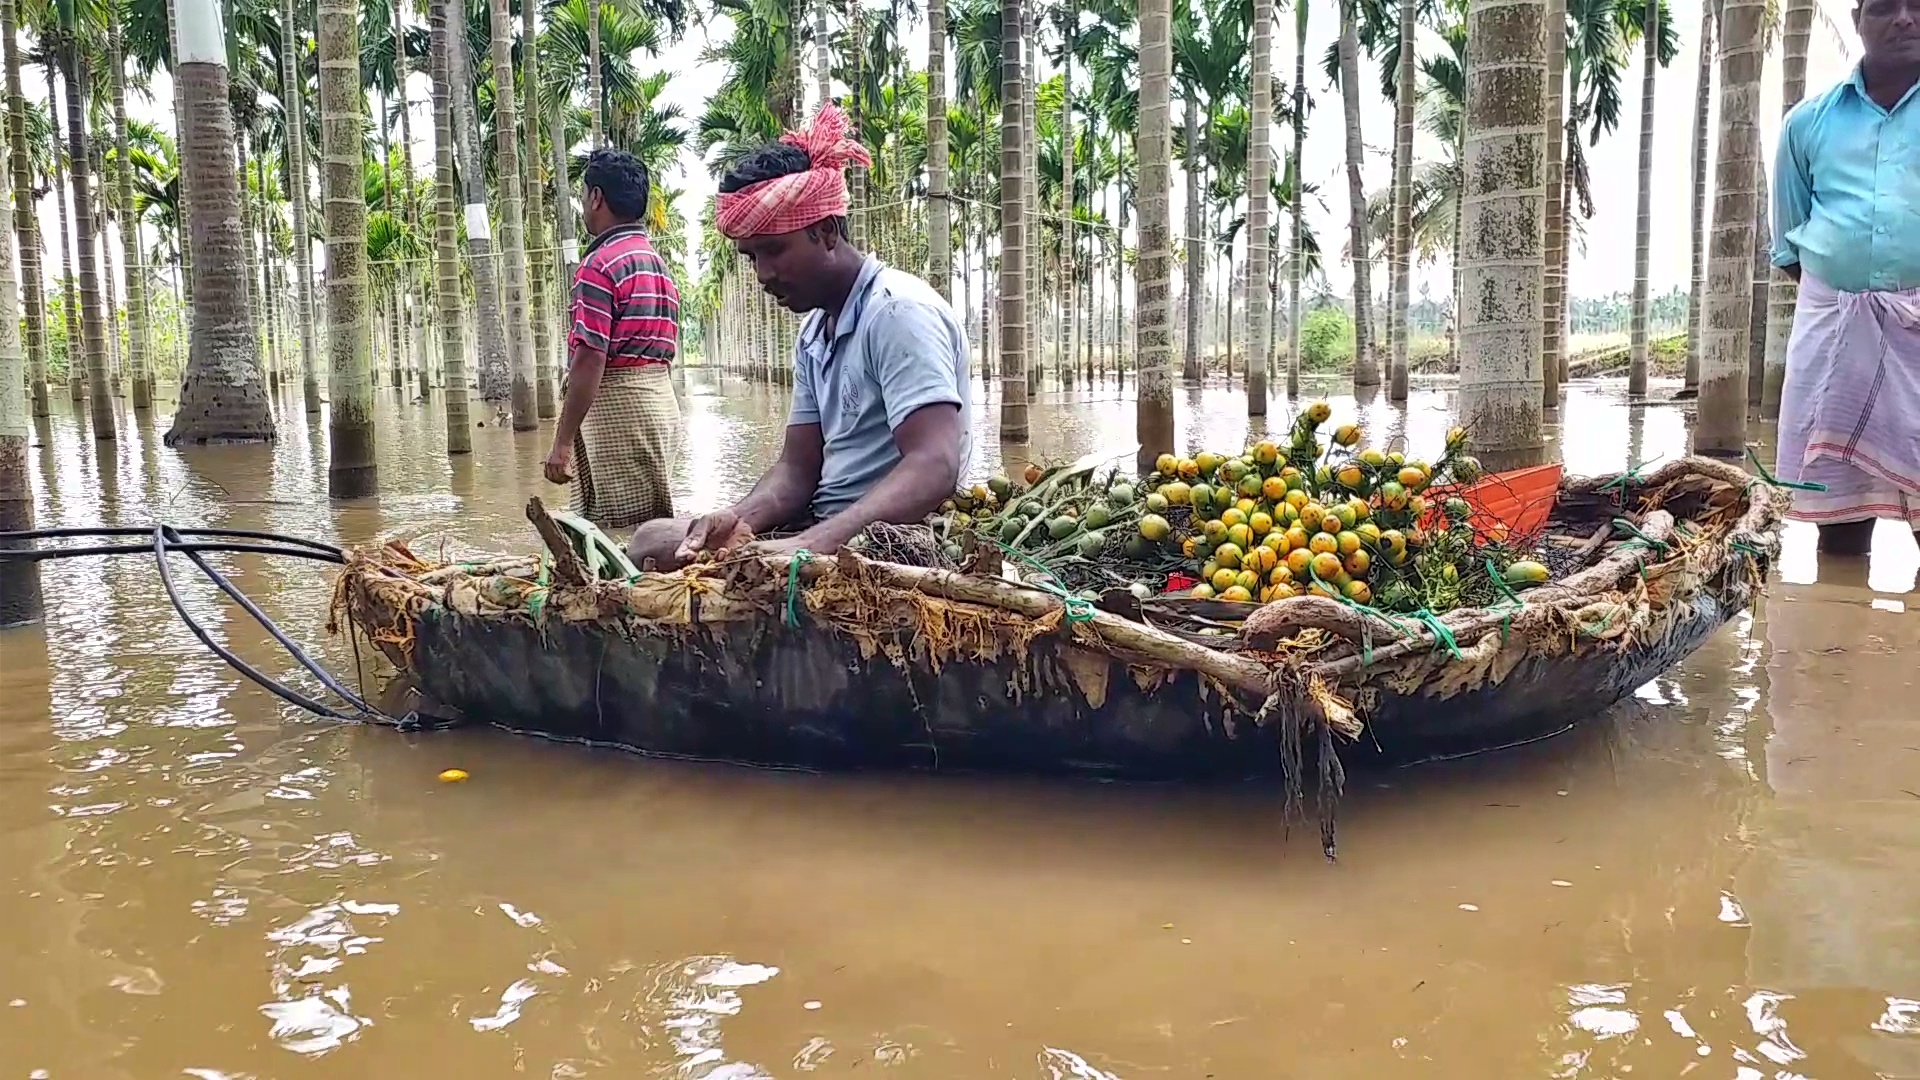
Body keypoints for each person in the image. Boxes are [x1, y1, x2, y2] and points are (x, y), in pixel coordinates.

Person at [628, 104, 970, 569]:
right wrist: (738, 519)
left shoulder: (896, 311)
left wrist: (811, 543)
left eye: (773, 250)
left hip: (893, 535)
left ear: (825, 232)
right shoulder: (814, 332)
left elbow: (935, 465)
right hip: (827, 522)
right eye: (751, 257)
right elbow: (796, 470)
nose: (763, 274)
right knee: (652, 539)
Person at [1770, 0, 1920, 556]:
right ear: (1858, 19)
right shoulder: (1807, 123)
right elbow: (1788, 243)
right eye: (1885, 7)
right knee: (1838, 517)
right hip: (1835, 327)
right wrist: (1851, 292)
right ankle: (1836, 639)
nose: (1904, 18)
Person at [544, 148, 683, 531]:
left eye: (584, 195)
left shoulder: (599, 265)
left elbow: (590, 358)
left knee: (614, 536)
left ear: (596, 197)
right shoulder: (657, 264)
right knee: (649, 530)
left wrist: (562, 442)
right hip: (660, 410)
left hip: (620, 417)